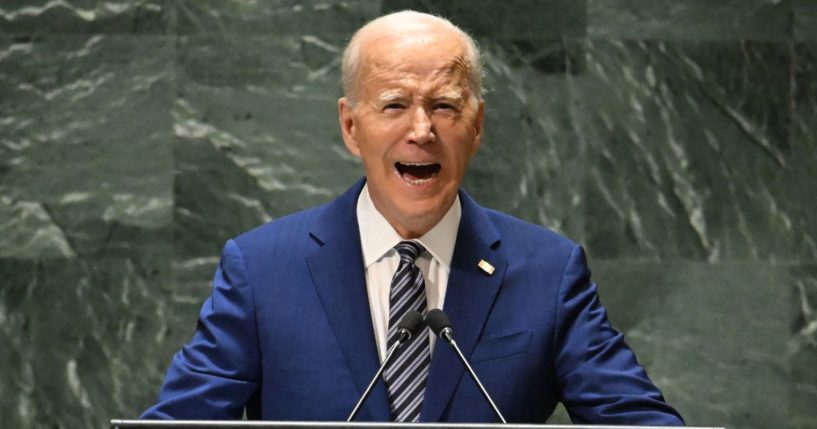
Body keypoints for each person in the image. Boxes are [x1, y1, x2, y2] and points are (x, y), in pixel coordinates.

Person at [142, 11, 684, 425]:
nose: (422, 130)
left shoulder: (548, 272)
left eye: (445, 106)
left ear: (477, 125)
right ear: (351, 126)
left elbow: (642, 425)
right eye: (395, 105)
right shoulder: (262, 270)